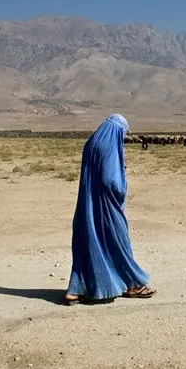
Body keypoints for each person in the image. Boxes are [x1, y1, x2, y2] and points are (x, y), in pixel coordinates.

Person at [63, 113, 156, 305]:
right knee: (119, 241)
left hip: (87, 205)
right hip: (107, 206)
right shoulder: (109, 146)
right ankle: (132, 285)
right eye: (122, 133)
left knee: (88, 243)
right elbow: (110, 180)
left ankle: (76, 291)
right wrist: (122, 188)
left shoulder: (91, 144)